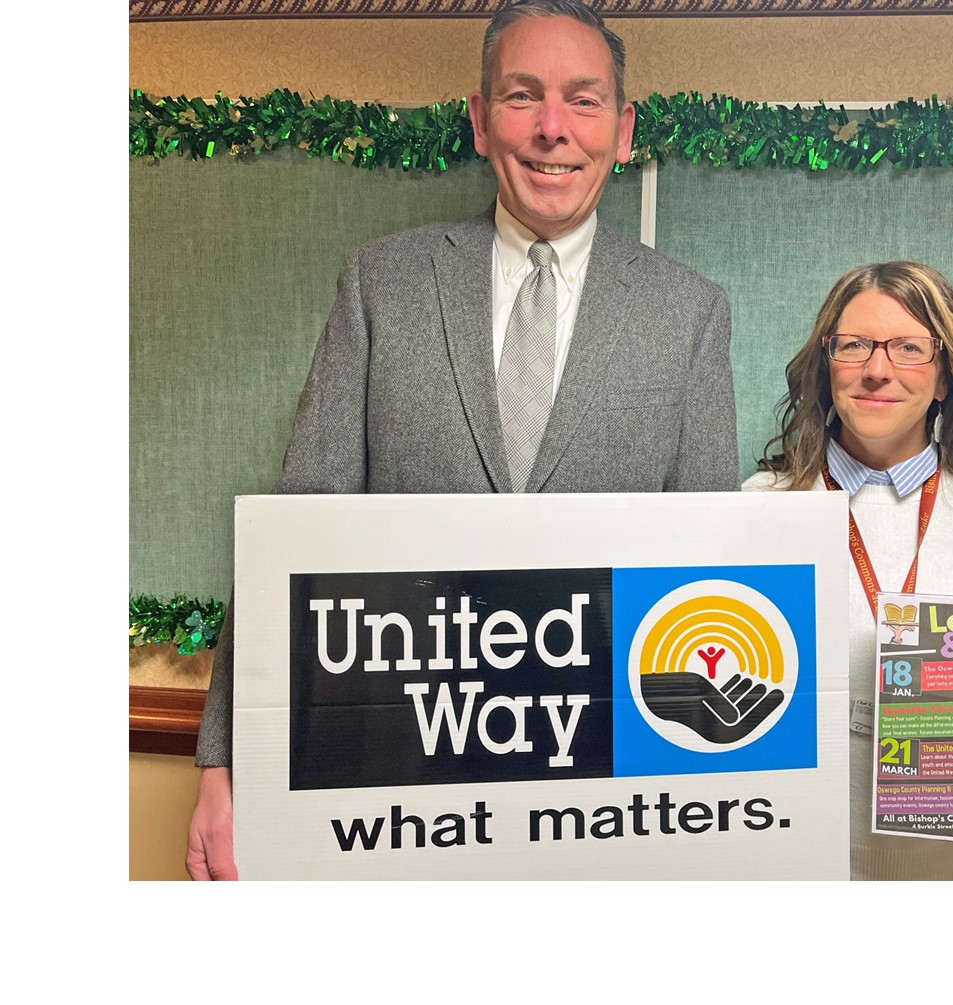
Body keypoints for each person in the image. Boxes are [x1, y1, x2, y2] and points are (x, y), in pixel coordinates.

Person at [185, 0, 738, 880]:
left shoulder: (690, 312)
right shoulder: (383, 282)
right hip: (394, 781)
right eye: (524, 96)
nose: (553, 129)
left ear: (623, 130)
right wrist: (224, 756)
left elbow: (714, 566)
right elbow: (298, 525)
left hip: (603, 793)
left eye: (584, 101)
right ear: (480, 121)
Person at [742, 261, 953, 880]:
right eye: (854, 345)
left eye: (909, 348)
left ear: (946, 377)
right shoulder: (759, 509)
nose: (877, 368)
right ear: (825, 367)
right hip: (801, 866)